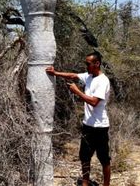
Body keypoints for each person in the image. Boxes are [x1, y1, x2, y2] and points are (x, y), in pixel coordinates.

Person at [46, 51, 111, 186]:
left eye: (88, 64)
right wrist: (55, 73)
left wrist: (77, 91)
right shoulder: (89, 76)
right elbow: (73, 75)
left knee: (104, 159)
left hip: (100, 127)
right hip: (87, 125)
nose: (86, 66)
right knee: (85, 157)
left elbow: (94, 102)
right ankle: (85, 183)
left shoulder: (103, 81)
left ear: (97, 64)